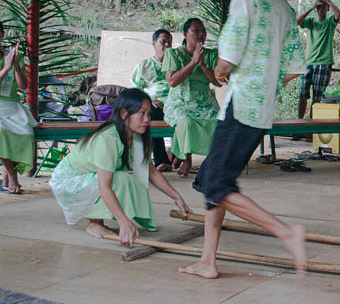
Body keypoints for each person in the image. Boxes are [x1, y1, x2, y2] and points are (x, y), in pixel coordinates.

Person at [180, 0, 307, 279]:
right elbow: (295, 68)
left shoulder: (246, 2)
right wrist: (266, 79)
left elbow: (227, 60)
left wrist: (222, 73)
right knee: (212, 180)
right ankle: (208, 260)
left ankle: (284, 232)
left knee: (217, 186)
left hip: (240, 107)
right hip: (262, 110)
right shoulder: (284, 8)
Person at [49, 88, 191, 245]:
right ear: (124, 114)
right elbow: (104, 187)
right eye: (141, 113)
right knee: (120, 179)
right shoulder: (107, 139)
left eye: (148, 114)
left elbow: (151, 171)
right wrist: (123, 221)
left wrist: (176, 197)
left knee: (130, 181)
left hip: (88, 180)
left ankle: (105, 219)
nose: (146, 119)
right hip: (68, 183)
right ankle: (95, 223)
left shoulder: (137, 136)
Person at [163, 18, 221, 177]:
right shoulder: (173, 54)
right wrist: (193, 62)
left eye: (203, 31)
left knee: (218, 123)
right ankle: (186, 159)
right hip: (180, 101)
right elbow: (172, 81)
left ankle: (211, 162)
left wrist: (202, 64)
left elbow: (217, 82)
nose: (201, 34)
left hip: (205, 101)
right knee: (186, 121)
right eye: (196, 31)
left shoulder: (211, 55)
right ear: (185, 34)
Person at [130, 29, 173, 172]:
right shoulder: (144, 65)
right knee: (150, 116)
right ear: (154, 43)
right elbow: (135, 89)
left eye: (169, 42)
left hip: (175, 103)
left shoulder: (176, 64)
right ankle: (162, 160)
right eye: (163, 42)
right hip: (154, 104)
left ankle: (177, 157)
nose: (166, 45)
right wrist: (148, 99)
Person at [0, 22, 35, 194]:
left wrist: (16, 66)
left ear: (2, 34)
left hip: (12, 106)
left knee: (27, 133)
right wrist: (6, 67)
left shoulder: (13, 56)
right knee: (0, 133)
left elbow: (23, 86)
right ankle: (12, 175)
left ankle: (8, 174)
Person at [297, 0, 340, 119]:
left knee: (317, 97)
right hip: (309, 62)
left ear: (327, 9)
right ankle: (299, 122)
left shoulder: (329, 22)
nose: (320, 10)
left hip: (324, 63)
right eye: (318, 8)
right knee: (302, 94)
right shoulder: (311, 22)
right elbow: (298, 21)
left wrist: (329, 2)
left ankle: (311, 128)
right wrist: (311, 7)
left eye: (323, 8)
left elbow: (338, 14)